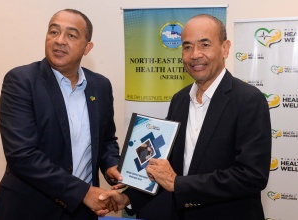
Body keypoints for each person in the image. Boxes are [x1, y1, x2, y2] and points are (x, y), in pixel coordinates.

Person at [99, 14, 272, 220]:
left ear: (225, 48)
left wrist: (178, 184)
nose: (195, 54)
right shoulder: (179, 100)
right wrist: (128, 198)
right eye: (187, 47)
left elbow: (251, 176)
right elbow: (166, 166)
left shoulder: (248, 100)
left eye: (205, 44)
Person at [0, 9, 122, 220]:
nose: (60, 41)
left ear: (87, 47)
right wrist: (83, 192)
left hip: (83, 212)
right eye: (53, 32)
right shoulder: (21, 81)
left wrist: (112, 165)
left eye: (71, 35)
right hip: (29, 209)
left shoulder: (100, 86)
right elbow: (22, 155)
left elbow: (106, 140)